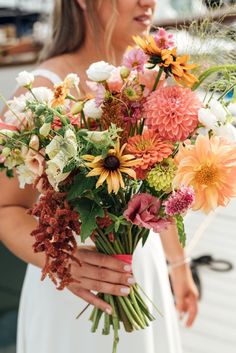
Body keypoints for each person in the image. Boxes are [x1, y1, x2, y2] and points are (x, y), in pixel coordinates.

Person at [0, 1, 199, 352]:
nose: (148, 2)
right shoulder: (41, 94)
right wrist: (62, 263)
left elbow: (158, 194)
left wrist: (179, 267)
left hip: (145, 277)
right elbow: (5, 208)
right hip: (71, 295)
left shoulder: (149, 83)